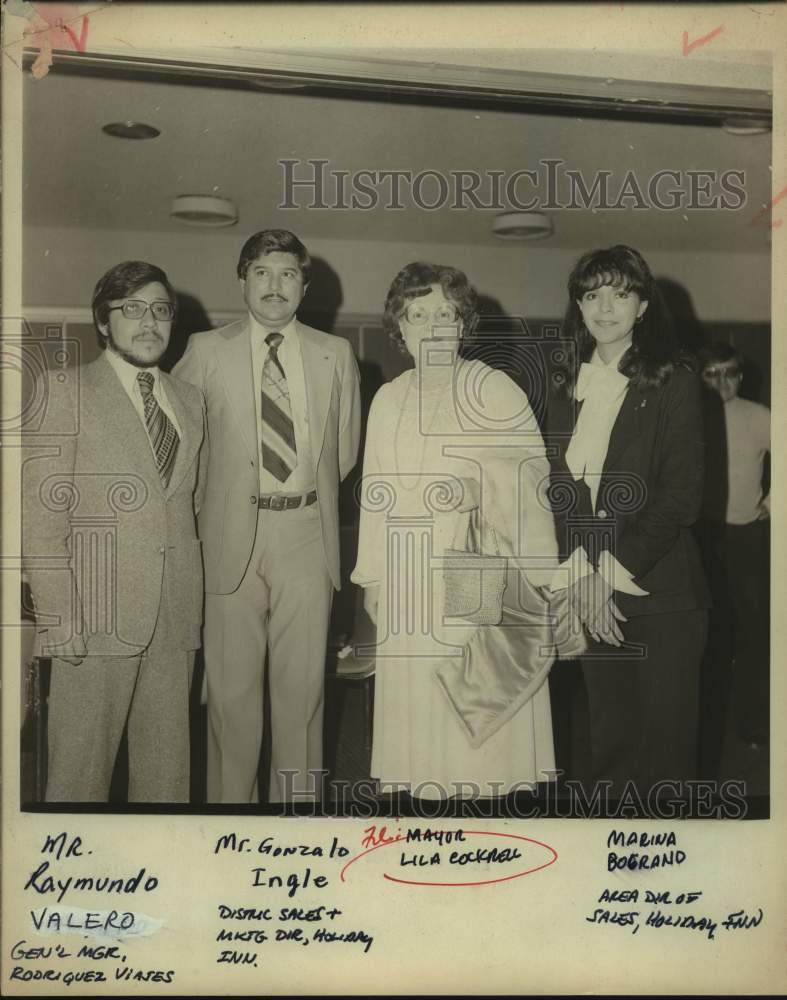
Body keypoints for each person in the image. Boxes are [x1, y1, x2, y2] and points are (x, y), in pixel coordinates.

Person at [351, 262, 560, 800]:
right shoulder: (388, 398)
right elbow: (374, 492)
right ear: (399, 326)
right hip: (405, 578)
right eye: (417, 313)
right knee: (420, 736)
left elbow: (536, 481)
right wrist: (373, 580)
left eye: (444, 312)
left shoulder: (494, 389)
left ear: (463, 322)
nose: (431, 324)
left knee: (476, 726)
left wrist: (482, 488)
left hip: (475, 574)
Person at [173, 229, 361, 803]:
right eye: (261, 271)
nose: (274, 285)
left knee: (302, 693)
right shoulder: (206, 350)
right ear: (243, 281)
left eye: (286, 273)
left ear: (304, 285)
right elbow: (183, 445)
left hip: (306, 531)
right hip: (229, 535)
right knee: (230, 696)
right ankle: (232, 820)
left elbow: (344, 451)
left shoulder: (336, 354)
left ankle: (294, 825)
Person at [22, 261, 207, 803]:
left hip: (174, 617)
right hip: (93, 617)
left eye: (160, 310)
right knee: (80, 778)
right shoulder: (65, 391)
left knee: (167, 780)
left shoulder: (191, 402)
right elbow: (41, 520)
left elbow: (190, 507)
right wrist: (60, 619)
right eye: (131, 309)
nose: (148, 322)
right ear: (104, 322)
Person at [547, 245, 710, 796]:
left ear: (643, 306)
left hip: (660, 595)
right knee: (610, 751)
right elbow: (562, 493)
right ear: (578, 305)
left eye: (620, 292)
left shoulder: (675, 380)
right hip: (589, 590)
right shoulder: (567, 387)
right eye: (592, 294)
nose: (605, 307)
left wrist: (606, 575)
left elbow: (679, 499)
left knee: (663, 761)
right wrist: (577, 576)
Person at [698, 341, 770, 749]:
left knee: (753, 630)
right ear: (701, 378)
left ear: (740, 378)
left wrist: (773, 503)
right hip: (701, 537)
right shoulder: (688, 418)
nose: (722, 381)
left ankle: (754, 724)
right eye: (713, 373)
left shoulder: (758, 416)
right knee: (704, 632)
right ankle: (698, 724)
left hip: (745, 536)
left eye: (729, 372)